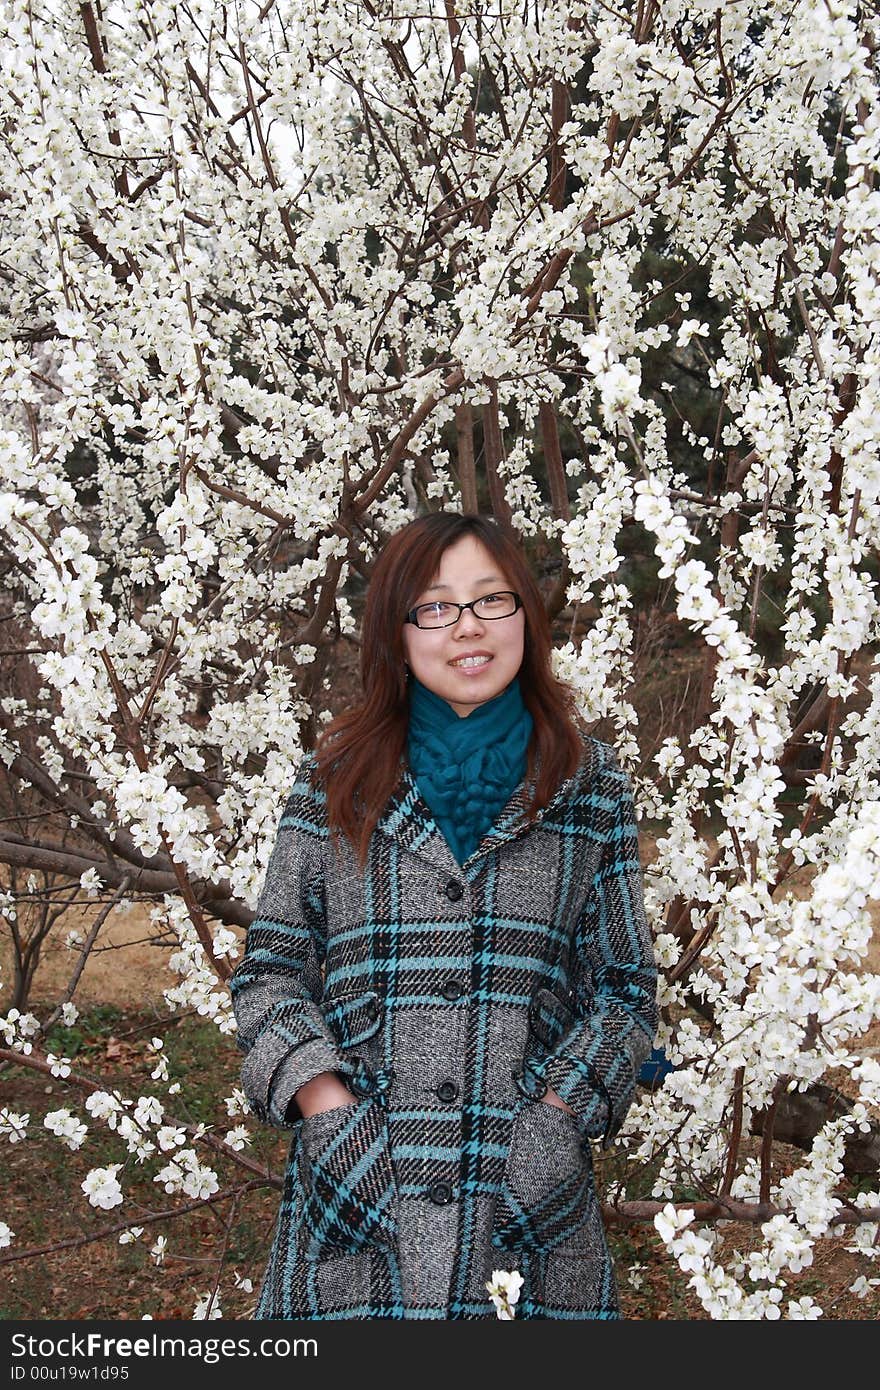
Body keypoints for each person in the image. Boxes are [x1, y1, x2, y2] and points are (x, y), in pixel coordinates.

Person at [230, 511, 658, 1320]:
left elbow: (628, 988)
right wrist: (331, 1113)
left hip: (528, 1211)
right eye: (435, 606)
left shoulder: (589, 784)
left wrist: (551, 1127)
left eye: (492, 601)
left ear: (526, 617)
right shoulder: (332, 780)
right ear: (397, 633)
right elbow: (271, 973)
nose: (468, 628)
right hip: (357, 1203)